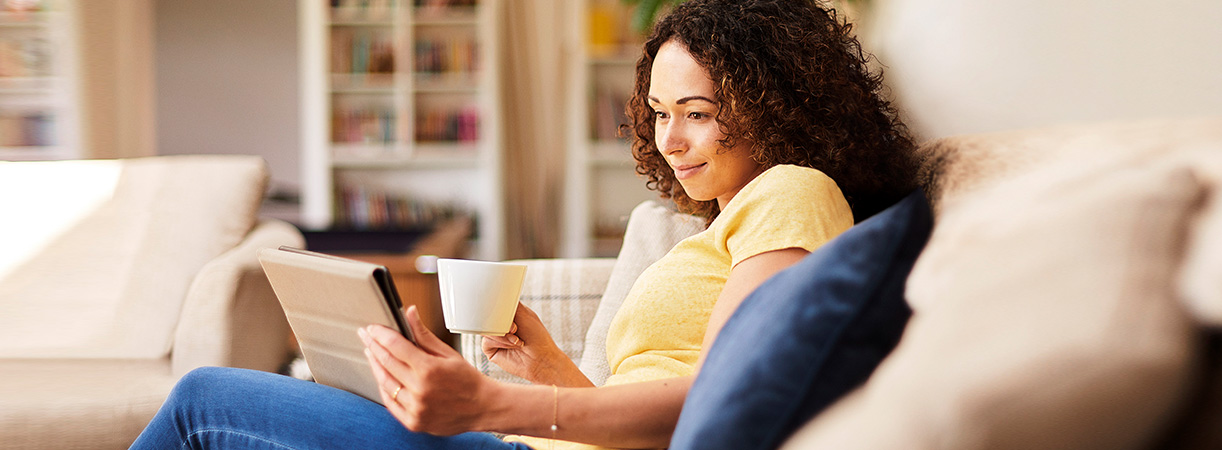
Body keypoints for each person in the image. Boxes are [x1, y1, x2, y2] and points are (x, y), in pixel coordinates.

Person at [128, 0, 916, 449]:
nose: (671, 141)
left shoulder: (795, 192)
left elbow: (714, 403)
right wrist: (548, 372)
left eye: (699, 115)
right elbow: (658, 400)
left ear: (776, 104)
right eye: (660, 114)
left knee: (203, 402)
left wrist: (486, 403)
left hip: (513, 446)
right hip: (529, 444)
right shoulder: (735, 218)